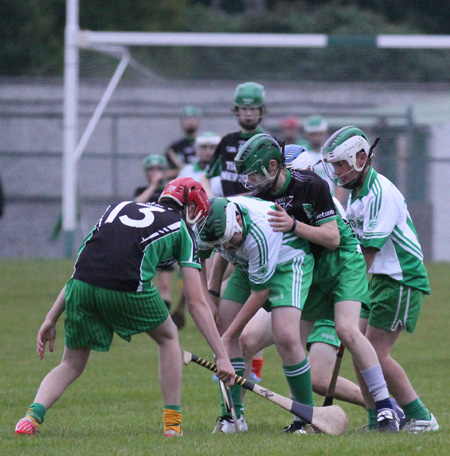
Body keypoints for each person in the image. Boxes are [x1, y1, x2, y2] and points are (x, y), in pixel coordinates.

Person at [15, 177, 235, 438]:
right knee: (168, 336)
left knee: (71, 363)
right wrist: (221, 355)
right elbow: (196, 302)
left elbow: (83, 266)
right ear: (191, 209)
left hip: (81, 286)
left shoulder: (117, 208)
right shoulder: (182, 229)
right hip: (127, 287)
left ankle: (29, 419)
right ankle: (173, 426)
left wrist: (51, 318)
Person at [234, 133, 400, 433]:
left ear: (273, 166)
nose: (251, 182)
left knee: (347, 330)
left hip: (343, 262)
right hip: (309, 270)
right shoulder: (260, 200)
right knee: (289, 343)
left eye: (256, 174)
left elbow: (333, 238)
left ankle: (386, 407)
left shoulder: (311, 185)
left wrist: (294, 225)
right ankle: (303, 419)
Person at [321, 126, 439, 433]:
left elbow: (368, 253)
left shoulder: (381, 193)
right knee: (359, 347)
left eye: (342, 164)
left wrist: (345, 292)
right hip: (379, 280)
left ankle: (422, 416)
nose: (337, 172)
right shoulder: (357, 193)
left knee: (376, 353)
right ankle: (379, 420)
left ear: (361, 158)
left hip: (400, 280)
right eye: (333, 165)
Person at [239, 144, 365, 413]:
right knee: (248, 338)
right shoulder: (269, 198)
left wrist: (295, 225)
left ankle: (379, 405)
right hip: (302, 289)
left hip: (328, 289)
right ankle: (234, 415)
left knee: (319, 380)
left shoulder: (323, 201)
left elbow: (334, 243)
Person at [199, 196, 315, 434]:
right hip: (246, 264)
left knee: (285, 336)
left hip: (288, 262)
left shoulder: (262, 230)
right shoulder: (208, 223)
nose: (228, 246)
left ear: (238, 220)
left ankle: (305, 419)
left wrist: (228, 337)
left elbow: (259, 294)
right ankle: (232, 417)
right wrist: (211, 294)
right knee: (224, 321)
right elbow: (208, 257)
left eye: (231, 240)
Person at [202, 81, 269, 197]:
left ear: (261, 111)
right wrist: (210, 198)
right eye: (244, 109)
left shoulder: (268, 142)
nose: (248, 114)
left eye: (253, 109)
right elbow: (206, 176)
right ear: (236, 111)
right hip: (228, 208)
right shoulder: (227, 141)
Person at [134, 154, 172, 310]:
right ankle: (144, 312)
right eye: (151, 169)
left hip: (165, 241)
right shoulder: (142, 190)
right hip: (145, 241)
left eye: (159, 169)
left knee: (164, 285)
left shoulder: (171, 189)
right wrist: (153, 187)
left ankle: (164, 316)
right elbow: (136, 206)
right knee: (143, 281)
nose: (155, 172)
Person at [165, 105, 202, 179]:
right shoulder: (173, 148)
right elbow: (166, 174)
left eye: (193, 118)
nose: (190, 122)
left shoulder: (205, 145)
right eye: (187, 119)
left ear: (199, 122)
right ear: (181, 123)